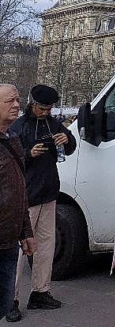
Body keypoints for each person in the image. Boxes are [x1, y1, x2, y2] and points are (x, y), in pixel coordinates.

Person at [6, 85, 76, 321]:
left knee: (45, 246)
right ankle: (10, 299)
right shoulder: (18, 126)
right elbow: (10, 162)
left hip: (48, 193)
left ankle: (41, 292)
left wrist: (66, 138)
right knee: (18, 251)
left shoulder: (53, 123)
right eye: (42, 108)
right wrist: (28, 154)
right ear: (32, 104)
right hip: (26, 196)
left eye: (49, 108)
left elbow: (71, 146)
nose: (45, 112)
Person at [0, 85, 35, 321]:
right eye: (9, 101)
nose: (16, 105)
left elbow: (19, 189)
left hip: (9, 240)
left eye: (18, 100)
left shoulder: (13, 139)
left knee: (3, 304)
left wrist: (25, 231)